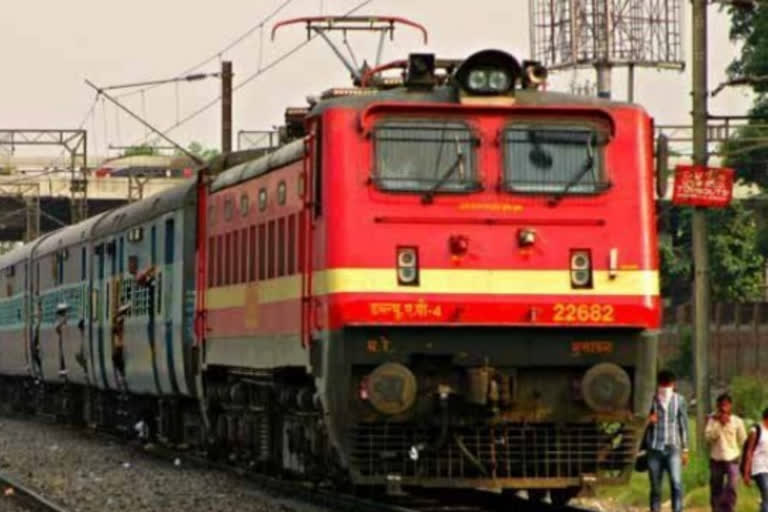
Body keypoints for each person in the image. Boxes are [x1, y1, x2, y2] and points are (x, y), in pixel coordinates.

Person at [646, 370, 689, 512]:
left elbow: (683, 425)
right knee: (655, 487)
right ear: (658, 384)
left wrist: (685, 449)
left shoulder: (679, 400)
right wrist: (648, 420)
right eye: (663, 384)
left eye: (667, 384)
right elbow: (639, 420)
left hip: (673, 448)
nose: (665, 387)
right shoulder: (650, 400)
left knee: (676, 483)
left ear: (673, 384)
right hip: (654, 449)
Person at [705, 393, 747, 512]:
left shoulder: (737, 421)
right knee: (716, 488)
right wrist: (719, 424)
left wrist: (746, 459)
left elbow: (743, 440)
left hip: (732, 458)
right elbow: (708, 438)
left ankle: (728, 509)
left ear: (730, 406)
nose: (723, 408)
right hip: (716, 459)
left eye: (726, 405)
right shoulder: (712, 421)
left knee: (732, 486)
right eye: (721, 405)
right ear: (717, 406)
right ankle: (716, 509)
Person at [743, 407, 768, 512]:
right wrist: (746, 472)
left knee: (766, 496)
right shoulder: (756, 430)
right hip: (758, 467)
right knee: (766, 490)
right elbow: (749, 452)